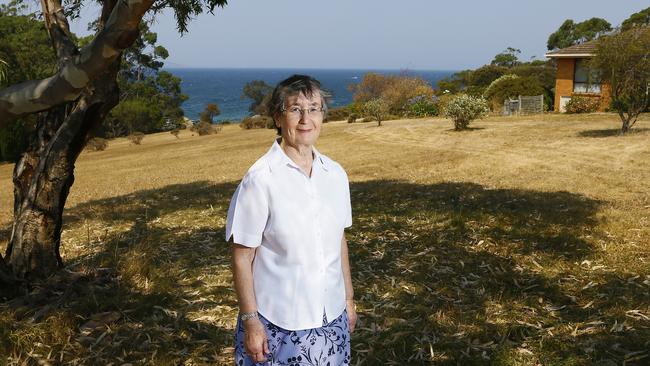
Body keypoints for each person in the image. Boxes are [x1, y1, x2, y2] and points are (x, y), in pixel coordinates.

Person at [226, 74, 357, 365]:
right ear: (277, 117)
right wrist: (251, 323)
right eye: (295, 109)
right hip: (278, 325)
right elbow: (241, 256)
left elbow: (338, 239)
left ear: (323, 115)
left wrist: (348, 299)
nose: (305, 118)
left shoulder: (335, 175)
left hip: (331, 319)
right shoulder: (260, 180)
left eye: (314, 108)